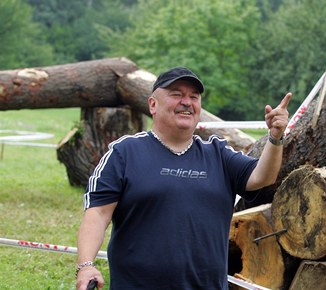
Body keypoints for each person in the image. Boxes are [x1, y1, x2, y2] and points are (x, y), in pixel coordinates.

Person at [75, 67, 291, 289]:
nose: (187, 102)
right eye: (176, 94)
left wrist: (275, 138)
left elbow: (262, 177)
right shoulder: (124, 153)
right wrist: (85, 265)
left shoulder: (218, 154)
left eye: (194, 97)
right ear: (152, 104)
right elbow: (98, 214)